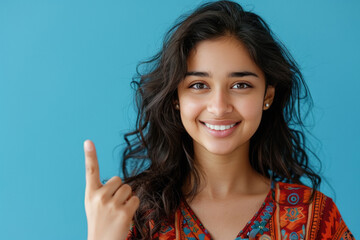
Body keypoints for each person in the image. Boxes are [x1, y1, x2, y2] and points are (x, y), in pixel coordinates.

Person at [83, 1, 354, 240]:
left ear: (267, 96)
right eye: (199, 85)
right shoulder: (133, 216)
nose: (219, 107)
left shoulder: (313, 217)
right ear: (176, 97)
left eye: (240, 85)